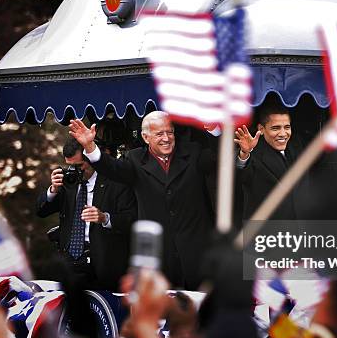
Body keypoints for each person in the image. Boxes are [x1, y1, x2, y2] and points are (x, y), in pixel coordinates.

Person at [68, 112, 217, 290]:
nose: (167, 138)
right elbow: (112, 168)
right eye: (159, 134)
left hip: (198, 257)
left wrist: (215, 131)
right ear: (146, 137)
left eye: (170, 132)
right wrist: (90, 147)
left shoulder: (193, 152)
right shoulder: (135, 159)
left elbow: (219, 158)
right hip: (160, 262)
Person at [36, 137, 136, 291]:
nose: (75, 171)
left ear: (91, 159)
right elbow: (41, 211)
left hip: (104, 263)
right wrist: (53, 191)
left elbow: (131, 219)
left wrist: (104, 218)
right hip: (70, 261)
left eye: (79, 165)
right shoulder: (68, 182)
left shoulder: (116, 182)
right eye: (69, 166)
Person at [234, 94, 307, 220]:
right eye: (275, 128)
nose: (283, 133)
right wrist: (245, 153)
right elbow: (240, 175)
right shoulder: (254, 154)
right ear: (261, 129)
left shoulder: (298, 147)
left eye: (287, 127)